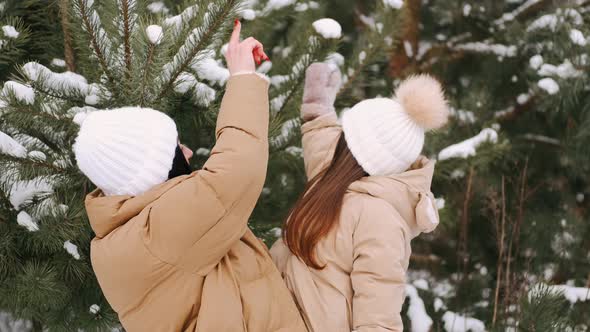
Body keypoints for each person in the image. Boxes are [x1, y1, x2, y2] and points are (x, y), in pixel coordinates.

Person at [73, 21, 306, 332]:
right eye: (174, 149)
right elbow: (237, 170)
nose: (188, 151)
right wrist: (242, 76)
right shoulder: (155, 236)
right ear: (153, 172)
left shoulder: (128, 234)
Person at [271, 63, 450, 332]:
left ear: (351, 148)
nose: (339, 138)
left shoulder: (380, 220)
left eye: (346, 133)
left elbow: (378, 319)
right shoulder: (335, 178)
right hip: (274, 306)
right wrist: (317, 105)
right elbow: (323, 143)